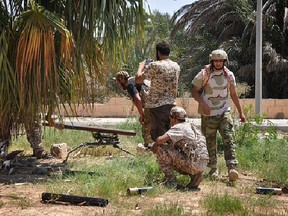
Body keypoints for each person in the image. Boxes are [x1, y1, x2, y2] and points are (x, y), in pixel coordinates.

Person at [191, 49, 246, 182]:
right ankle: (213, 169)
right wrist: (203, 105)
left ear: (224, 61)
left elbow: (233, 94)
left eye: (220, 61)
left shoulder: (229, 75)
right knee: (210, 142)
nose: (218, 63)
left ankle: (232, 167)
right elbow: (194, 91)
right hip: (208, 114)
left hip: (224, 111)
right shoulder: (204, 74)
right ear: (212, 61)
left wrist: (241, 112)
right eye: (215, 60)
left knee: (228, 137)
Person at [150, 106, 209, 190]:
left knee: (161, 149)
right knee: (179, 153)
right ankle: (196, 175)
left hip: (192, 164)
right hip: (202, 164)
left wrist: (154, 147)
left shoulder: (178, 127)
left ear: (172, 118)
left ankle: (170, 181)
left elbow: (160, 140)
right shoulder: (192, 126)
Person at [135, 41, 180, 141]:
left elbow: (138, 79)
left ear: (158, 52)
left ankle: (152, 154)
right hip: (171, 104)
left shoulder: (155, 65)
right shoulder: (176, 66)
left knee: (153, 136)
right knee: (168, 135)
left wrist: (141, 66)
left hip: (155, 107)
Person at [115, 71, 153, 146]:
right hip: (156, 104)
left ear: (121, 80)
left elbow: (138, 99)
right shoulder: (134, 80)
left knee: (147, 130)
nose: (118, 85)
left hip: (150, 107)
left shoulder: (130, 85)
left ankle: (149, 150)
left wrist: (142, 115)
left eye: (118, 82)